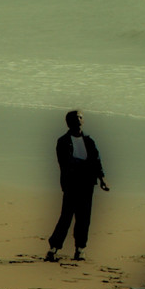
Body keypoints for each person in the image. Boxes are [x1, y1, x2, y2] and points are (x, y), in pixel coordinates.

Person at [45, 110, 109, 262]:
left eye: (80, 117)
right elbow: (66, 162)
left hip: (87, 184)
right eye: (75, 118)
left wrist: (102, 179)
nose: (78, 120)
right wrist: (84, 165)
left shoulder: (89, 141)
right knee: (66, 217)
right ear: (68, 122)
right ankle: (53, 248)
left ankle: (80, 249)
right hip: (71, 184)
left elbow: (96, 161)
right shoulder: (63, 141)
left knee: (84, 218)